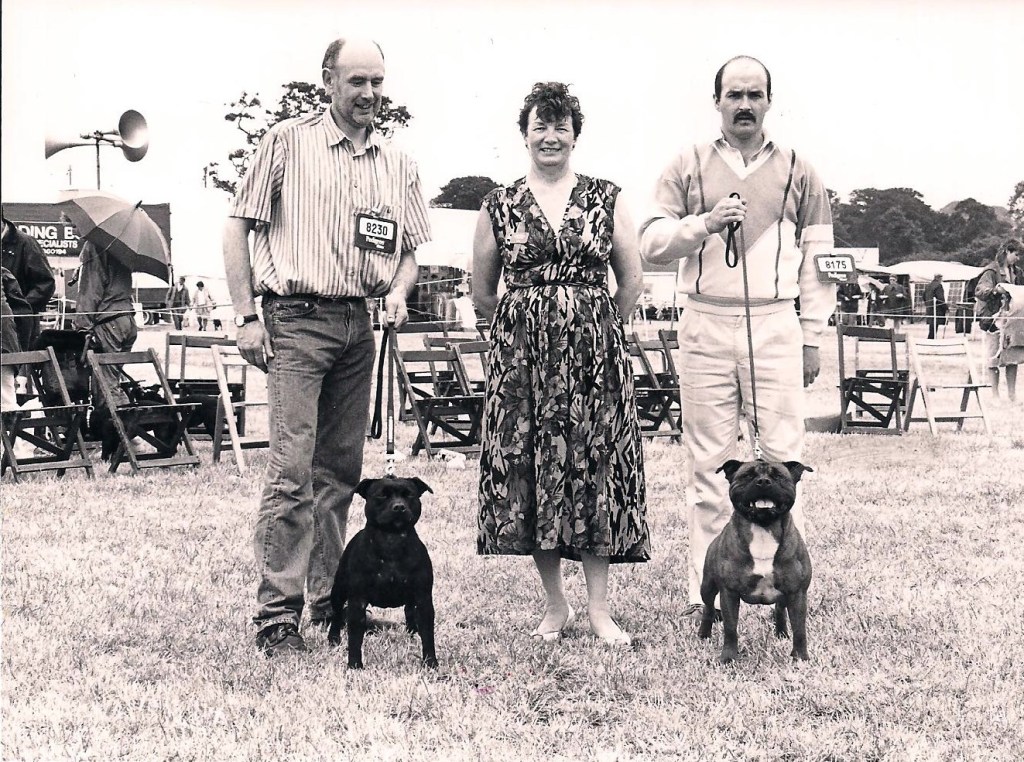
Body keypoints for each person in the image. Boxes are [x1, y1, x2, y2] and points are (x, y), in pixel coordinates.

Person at [223, 37, 431, 656]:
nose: (368, 93)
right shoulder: (287, 142)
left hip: (358, 325)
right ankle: (276, 618)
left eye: (377, 82)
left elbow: (409, 252)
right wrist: (246, 316)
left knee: (339, 474)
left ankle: (330, 601)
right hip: (295, 320)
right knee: (291, 473)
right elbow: (237, 226)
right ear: (328, 80)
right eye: (356, 81)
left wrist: (399, 290)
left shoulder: (398, 163)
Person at [638, 55, 835, 621]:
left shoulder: (800, 169)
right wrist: (704, 222)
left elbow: (819, 259)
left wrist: (811, 336)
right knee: (710, 465)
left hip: (775, 321)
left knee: (784, 460)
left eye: (755, 94)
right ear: (717, 101)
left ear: (769, 101)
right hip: (705, 318)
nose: (744, 105)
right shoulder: (687, 164)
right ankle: (707, 593)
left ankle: (784, 590)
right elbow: (650, 242)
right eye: (734, 94)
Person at [474, 82, 649, 647]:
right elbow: (482, 291)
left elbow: (631, 279)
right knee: (534, 471)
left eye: (561, 126)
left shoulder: (605, 197)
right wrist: (524, 330)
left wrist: (598, 329)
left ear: (575, 135)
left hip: (595, 361)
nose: (550, 137)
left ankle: (600, 610)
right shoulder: (498, 204)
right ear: (524, 135)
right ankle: (556, 604)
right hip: (523, 362)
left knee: (595, 468)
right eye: (540, 126)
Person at [71, 241, 138, 405]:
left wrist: (82, 327)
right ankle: (124, 415)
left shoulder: (95, 245)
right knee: (112, 379)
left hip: (109, 321)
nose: (73, 231)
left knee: (105, 385)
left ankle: (116, 419)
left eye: (73, 228)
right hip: (126, 318)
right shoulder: (121, 244)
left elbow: (90, 291)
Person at [974, 239, 1024, 400]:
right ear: (1007, 252)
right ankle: (995, 395)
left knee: (1012, 358)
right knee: (994, 357)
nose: (1018, 258)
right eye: (1016, 254)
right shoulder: (991, 271)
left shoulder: (1018, 273)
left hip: (1013, 320)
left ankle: (1012, 395)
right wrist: (995, 290)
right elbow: (980, 291)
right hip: (993, 320)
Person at [1, 214, 56, 350]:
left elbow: (46, 284)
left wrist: (20, 309)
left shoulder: (26, 243)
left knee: (20, 361)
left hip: (21, 328)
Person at [923, 273, 947, 340]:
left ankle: (931, 337)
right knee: (935, 323)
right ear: (939, 278)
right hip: (937, 308)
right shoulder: (938, 286)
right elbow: (940, 298)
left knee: (932, 323)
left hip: (929, 307)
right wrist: (945, 307)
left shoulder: (928, 285)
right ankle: (931, 338)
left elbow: (923, 296)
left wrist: (927, 304)